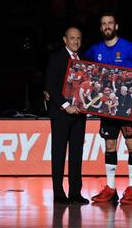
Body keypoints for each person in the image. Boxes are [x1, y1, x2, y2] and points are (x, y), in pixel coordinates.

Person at [84, 12, 132, 205]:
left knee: (131, 146)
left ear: (116, 26)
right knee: (110, 146)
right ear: (100, 28)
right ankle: (111, 188)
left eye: (110, 23)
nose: (107, 26)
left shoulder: (129, 47)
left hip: (127, 106)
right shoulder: (94, 49)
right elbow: (80, 67)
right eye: (103, 24)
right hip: (107, 107)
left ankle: (131, 189)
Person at [44, 26, 89, 205]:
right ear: (65, 40)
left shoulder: (84, 60)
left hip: (79, 114)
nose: (76, 41)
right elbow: (50, 85)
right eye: (72, 38)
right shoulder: (56, 58)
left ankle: (75, 193)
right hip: (61, 114)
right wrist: (65, 105)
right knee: (59, 153)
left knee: (77, 153)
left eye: (78, 38)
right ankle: (58, 194)